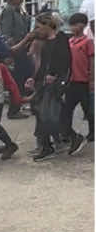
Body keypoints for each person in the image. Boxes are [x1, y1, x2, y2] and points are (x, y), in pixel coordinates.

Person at [30, 13, 72, 161]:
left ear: (48, 26)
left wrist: (55, 75)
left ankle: (53, 144)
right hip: (47, 82)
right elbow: (43, 64)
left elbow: (65, 61)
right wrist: (34, 78)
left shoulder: (61, 39)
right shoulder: (47, 42)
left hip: (57, 82)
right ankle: (49, 144)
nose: (37, 30)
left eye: (39, 27)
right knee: (43, 112)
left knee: (47, 114)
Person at [64, 13, 94, 147]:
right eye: (72, 24)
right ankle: (67, 133)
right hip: (71, 80)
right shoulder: (69, 41)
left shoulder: (87, 41)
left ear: (83, 25)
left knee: (87, 108)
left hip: (83, 80)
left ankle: (92, 131)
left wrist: (92, 78)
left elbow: (92, 60)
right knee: (67, 109)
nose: (73, 27)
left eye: (76, 24)